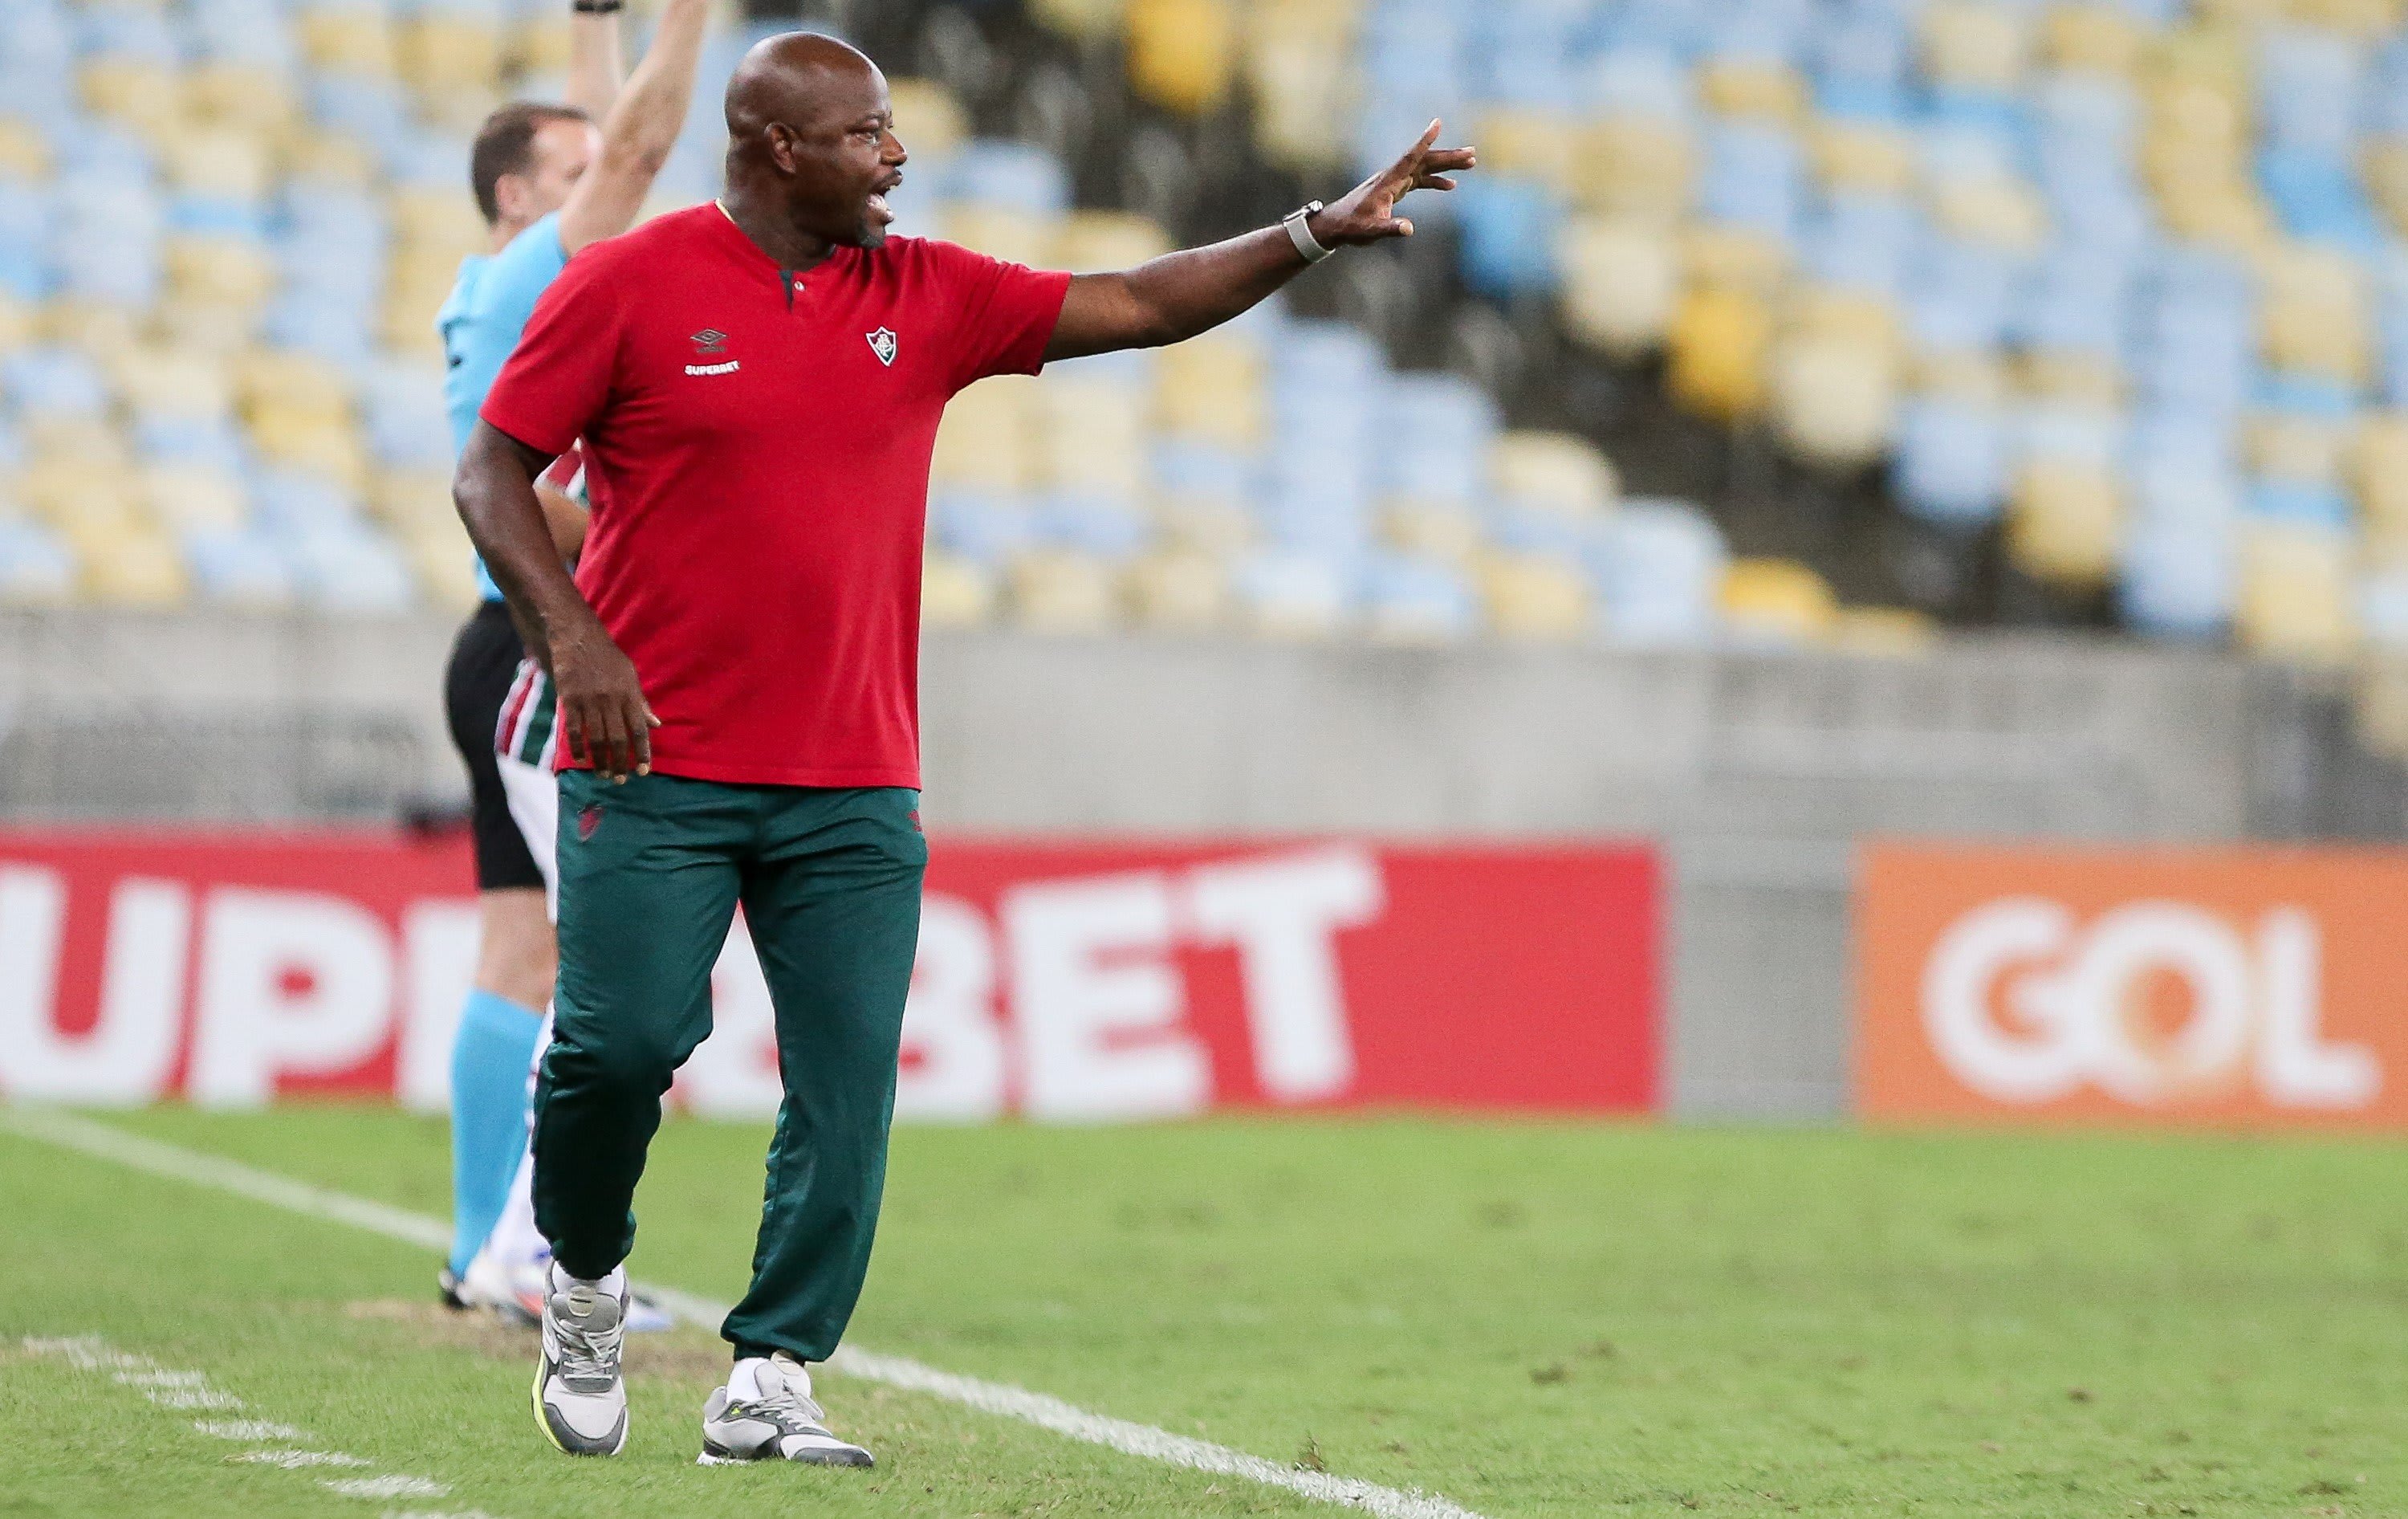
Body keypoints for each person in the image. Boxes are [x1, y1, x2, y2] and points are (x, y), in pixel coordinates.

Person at [454, 30, 1474, 1464]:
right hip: (655, 766)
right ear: (778, 151)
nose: (898, 156)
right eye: (868, 134)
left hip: (855, 779)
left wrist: (1310, 231)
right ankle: (583, 1282)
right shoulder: (628, 285)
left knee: (847, 1082)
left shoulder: (922, 293)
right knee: (616, 1053)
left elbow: (1134, 302)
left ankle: (771, 1374)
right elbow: (488, 464)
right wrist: (573, 640)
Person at [433, 0, 711, 1316]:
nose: (601, 175)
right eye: (570, 170)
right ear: (516, 196)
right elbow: (640, 155)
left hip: (503, 641)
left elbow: (604, 145)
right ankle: (532, 1253)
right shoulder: (538, 274)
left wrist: (596, 19)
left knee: (519, 957)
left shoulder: (496, 286)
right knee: (611, 964)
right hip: (552, 648)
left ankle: (483, 1248)